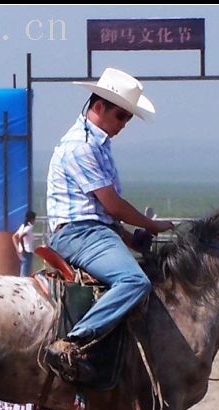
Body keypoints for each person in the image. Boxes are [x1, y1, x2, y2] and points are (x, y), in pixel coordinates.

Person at [44, 68, 174, 384]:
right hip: (78, 234)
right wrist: (151, 225)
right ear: (99, 106)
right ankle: (73, 342)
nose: (123, 125)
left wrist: (131, 238)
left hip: (95, 232)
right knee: (134, 283)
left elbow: (104, 214)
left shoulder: (98, 144)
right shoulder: (81, 146)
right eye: (120, 116)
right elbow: (111, 205)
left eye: (128, 118)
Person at [12, 210, 37, 276]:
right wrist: (23, 248)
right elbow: (20, 237)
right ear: (32, 219)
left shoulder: (23, 226)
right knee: (25, 273)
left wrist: (18, 248)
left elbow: (14, 237)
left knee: (24, 269)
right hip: (27, 251)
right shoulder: (29, 227)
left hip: (22, 251)